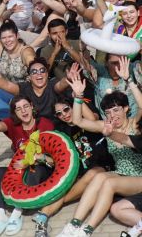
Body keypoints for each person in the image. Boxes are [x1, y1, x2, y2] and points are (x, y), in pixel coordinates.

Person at [58, 59, 142, 237]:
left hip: (139, 177)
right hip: (121, 174)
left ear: (126, 108)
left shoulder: (135, 123)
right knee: (99, 177)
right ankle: (73, 224)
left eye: (116, 110)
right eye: (108, 112)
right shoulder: (106, 126)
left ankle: (87, 230)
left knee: (108, 182)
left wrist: (129, 81)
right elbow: (78, 120)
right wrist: (78, 97)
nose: (112, 115)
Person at [31, 95, 113, 237]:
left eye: (66, 109)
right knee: (65, 185)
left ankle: (45, 212)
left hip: (102, 166)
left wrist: (78, 97)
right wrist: (42, 157)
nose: (64, 114)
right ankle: (42, 219)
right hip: (79, 173)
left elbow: (93, 120)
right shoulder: (61, 131)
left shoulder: (86, 119)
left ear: (73, 106)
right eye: (59, 113)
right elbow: (59, 159)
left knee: (93, 174)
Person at [0, 95, 54, 236]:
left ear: (32, 106)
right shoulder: (13, 124)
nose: (23, 111)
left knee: (34, 169)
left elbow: (52, 158)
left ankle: (17, 211)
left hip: (42, 168)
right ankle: (0, 215)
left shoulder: (44, 124)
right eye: (18, 109)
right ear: (15, 112)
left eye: (26, 106)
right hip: (19, 170)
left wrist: (32, 160)